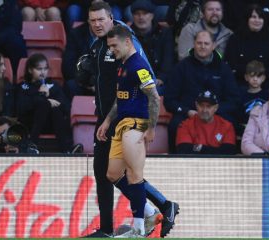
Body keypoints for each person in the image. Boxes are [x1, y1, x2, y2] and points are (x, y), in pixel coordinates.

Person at [87, 2, 179, 238]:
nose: (96, 24)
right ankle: (154, 209)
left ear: (111, 18)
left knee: (124, 172)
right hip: (109, 115)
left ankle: (142, 219)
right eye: (92, 21)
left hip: (126, 116)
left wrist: (148, 125)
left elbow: (145, 77)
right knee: (109, 172)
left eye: (101, 19)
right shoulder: (101, 43)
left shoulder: (125, 41)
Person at [95, 24, 161, 237]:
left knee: (134, 175)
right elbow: (120, 97)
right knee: (113, 174)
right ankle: (150, 211)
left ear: (127, 42)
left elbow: (154, 97)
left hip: (135, 124)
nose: (111, 50)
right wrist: (107, 121)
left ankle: (139, 229)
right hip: (121, 124)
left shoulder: (139, 66)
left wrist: (151, 127)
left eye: (114, 46)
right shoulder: (123, 65)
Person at [164, 30, 240, 153]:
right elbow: (169, 100)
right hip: (189, 113)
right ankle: (175, 161)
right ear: (194, 44)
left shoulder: (224, 68)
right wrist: (187, 111)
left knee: (232, 122)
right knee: (174, 124)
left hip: (217, 114)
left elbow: (234, 100)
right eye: (199, 43)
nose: (202, 46)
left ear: (214, 45)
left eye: (206, 43)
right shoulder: (181, 67)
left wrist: (212, 111)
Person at [15, 53, 83, 154]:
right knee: (43, 104)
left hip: (51, 124)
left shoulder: (53, 86)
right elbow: (21, 108)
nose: (43, 72)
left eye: (45, 69)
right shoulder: (23, 86)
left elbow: (66, 107)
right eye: (39, 69)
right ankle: (32, 144)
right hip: (30, 124)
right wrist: (42, 98)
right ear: (30, 70)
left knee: (55, 110)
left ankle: (67, 150)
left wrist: (48, 96)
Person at [223, 4, 269, 89]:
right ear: (247, 19)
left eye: (260, 17)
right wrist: (251, 75)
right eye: (253, 17)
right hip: (242, 84)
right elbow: (231, 64)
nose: (257, 20)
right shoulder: (235, 38)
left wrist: (261, 74)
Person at [130, 0, 175, 95]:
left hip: (158, 81)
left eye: (145, 13)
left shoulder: (164, 32)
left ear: (152, 15)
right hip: (134, 80)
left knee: (156, 92)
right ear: (133, 17)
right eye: (137, 14)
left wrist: (161, 78)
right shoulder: (128, 35)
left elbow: (168, 59)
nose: (141, 17)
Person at [176, 90, 236, 154]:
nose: (204, 110)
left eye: (209, 106)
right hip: (194, 163)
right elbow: (184, 150)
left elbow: (228, 152)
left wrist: (199, 148)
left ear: (216, 108)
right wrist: (216, 150)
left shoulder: (227, 126)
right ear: (196, 105)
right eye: (201, 105)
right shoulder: (185, 125)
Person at [238, 60, 268, 135]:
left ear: (263, 78)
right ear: (246, 77)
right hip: (246, 131)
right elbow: (239, 117)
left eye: (258, 76)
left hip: (264, 131)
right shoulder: (241, 96)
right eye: (252, 76)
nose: (255, 79)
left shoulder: (268, 96)